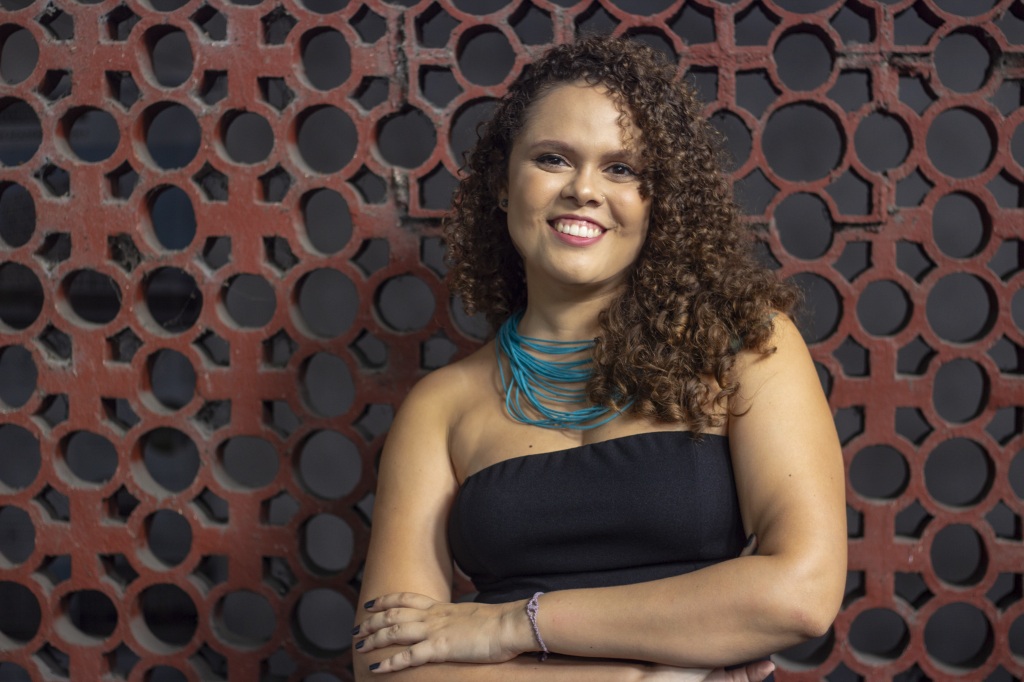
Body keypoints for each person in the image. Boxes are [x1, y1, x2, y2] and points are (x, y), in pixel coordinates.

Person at [351, 35, 846, 681]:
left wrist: (511, 624)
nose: (584, 189)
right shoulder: (441, 407)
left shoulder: (745, 347)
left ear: (659, 198)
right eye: (554, 159)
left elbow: (801, 595)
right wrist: (644, 677)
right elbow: (387, 661)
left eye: (622, 169)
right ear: (503, 184)